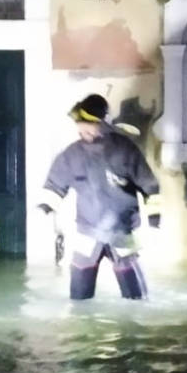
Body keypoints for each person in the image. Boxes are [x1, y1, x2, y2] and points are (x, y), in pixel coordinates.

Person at [39, 94, 161, 300]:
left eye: (89, 124)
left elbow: (149, 185)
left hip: (121, 232)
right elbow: (54, 186)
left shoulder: (125, 150)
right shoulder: (72, 154)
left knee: (137, 300)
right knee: (79, 299)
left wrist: (155, 217)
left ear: (103, 123)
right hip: (87, 232)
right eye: (80, 124)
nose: (82, 129)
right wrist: (45, 208)